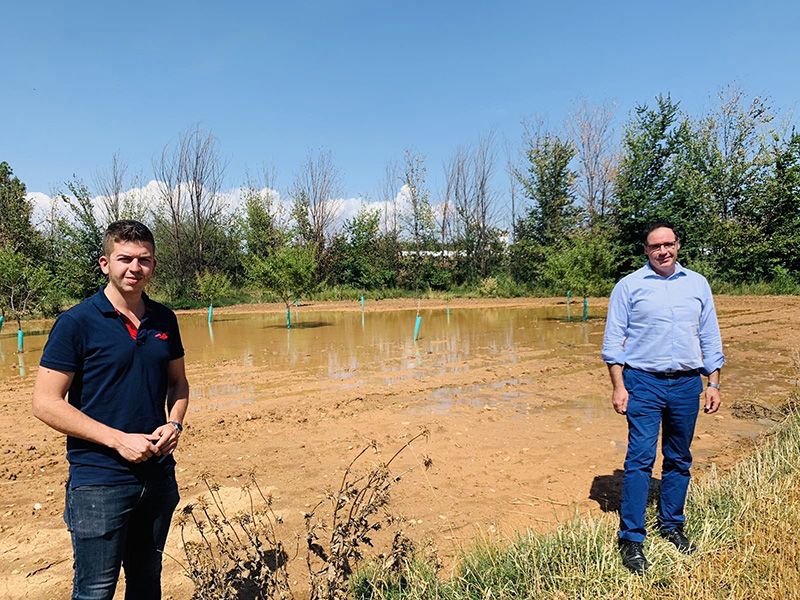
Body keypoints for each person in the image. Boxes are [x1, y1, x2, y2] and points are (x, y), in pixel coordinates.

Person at [32, 220, 189, 599]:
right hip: (99, 481)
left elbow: (178, 383)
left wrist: (175, 424)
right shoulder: (76, 323)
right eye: (125, 258)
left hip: (157, 476)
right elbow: (45, 402)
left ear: (153, 265)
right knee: (95, 591)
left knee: (147, 583)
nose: (135, 268)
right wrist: (118, 441)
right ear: (105, 263)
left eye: (144, 260)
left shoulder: (164, 319)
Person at [601, 222, 724, 575]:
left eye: (668, 244)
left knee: (678, 458)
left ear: (678, 246)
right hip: (643, 382)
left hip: (687, 384)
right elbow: (613, 342)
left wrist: (712, 383)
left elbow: (709, 336)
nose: (663, 251)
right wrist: (618, 385)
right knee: (639, 459)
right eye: (655, 246)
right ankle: (631, 539)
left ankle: (672, 526)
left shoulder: (697, 284)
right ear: (645, 250)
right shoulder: (629, 286)